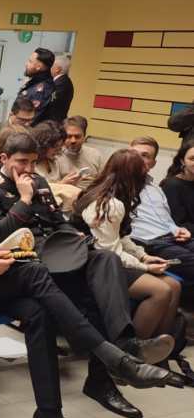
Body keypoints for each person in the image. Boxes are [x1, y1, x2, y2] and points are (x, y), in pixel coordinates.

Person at [0, 139, 176, 418]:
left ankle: (50, 413)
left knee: (41, 311)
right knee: (36, 272)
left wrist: (0, 252)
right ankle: (114, 356)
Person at [76, 151, 183, 355]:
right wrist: (144, 267)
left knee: (174, 285)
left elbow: (121, 237)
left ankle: (157, 352)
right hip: (97, 266)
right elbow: (109, 250)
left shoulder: (112, 195)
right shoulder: (108, 204)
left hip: (107, 259)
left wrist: (143, 256)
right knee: (161, 291)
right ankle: (128, 357)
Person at [128, 137, 194, 287]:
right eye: (134, 154)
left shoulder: (155, 189)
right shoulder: (118, 186)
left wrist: (179, 229)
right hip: (149, 243)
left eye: (145, 156)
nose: (137, 159)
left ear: (153, 163)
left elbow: (167, 220)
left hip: (174, 237)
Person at [52, 116, 104, 190]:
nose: (73, 141)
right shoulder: (55, 157)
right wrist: (63, 183)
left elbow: (104, 181)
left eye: (77, 136)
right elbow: (51, 188)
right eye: (69, 136)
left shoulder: (95, 155)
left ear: (84, 137)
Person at [20, 48, 56, 125]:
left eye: (30, 61)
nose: (26, 64)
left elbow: (28, 120)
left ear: (38, 67)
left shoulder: (42, 89)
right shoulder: (35, 82)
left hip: (25, 130)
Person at [47, 54, 74, 123]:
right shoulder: (61, 81)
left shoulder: (62, 83)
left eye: (51, 65)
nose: (48, 68)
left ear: (57, 69)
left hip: (54, 122)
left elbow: (50, 100)